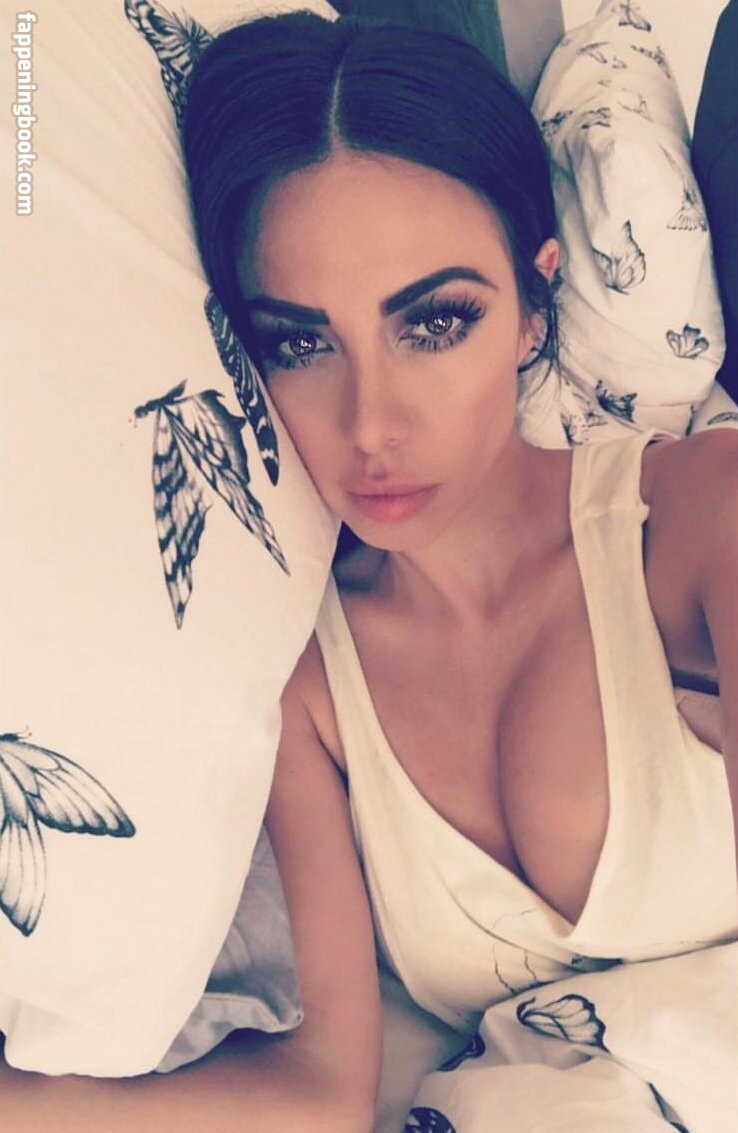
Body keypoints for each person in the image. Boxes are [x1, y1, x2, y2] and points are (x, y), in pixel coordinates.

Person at [2, 10, 736, 1133]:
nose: (371, 422)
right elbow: (324, 1091)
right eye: (299, 342)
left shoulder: (699, 514)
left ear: (534, 303)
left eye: (435, 322)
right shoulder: (302, 682)